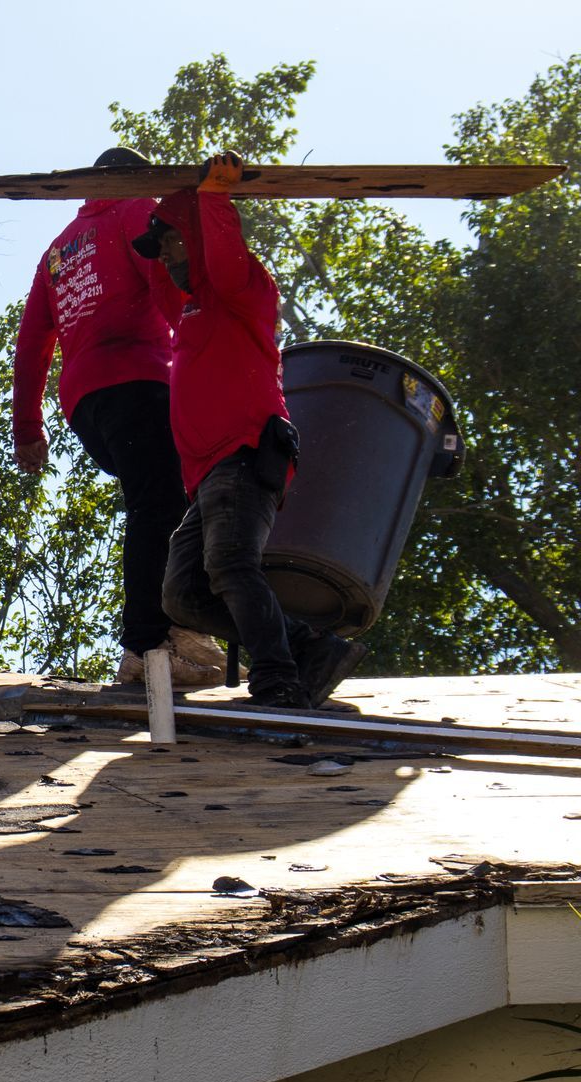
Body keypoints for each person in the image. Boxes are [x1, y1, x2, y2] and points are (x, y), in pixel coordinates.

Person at [137, 152, 366, 708]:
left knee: (231, 564)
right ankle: (309, 648)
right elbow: (161, 281)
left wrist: (212, 199)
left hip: (243, 455)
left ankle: (278, 678)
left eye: (169, 239)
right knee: (182, 594)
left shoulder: (244, 291)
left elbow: (224, 257)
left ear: (193, 236)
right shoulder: (192, 311)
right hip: (209, 475)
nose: (164, 254)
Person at [12, 146, 226, 687]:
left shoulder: (58, 251)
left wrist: (28, 430)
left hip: (88, 405)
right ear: (132, 177)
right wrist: (203, 347)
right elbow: (161, 282)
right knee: (161, 503)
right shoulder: (136, 209)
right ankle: (150, 643)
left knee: (166, 498)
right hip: (138, 380)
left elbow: (34, 340)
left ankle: (174, 629)